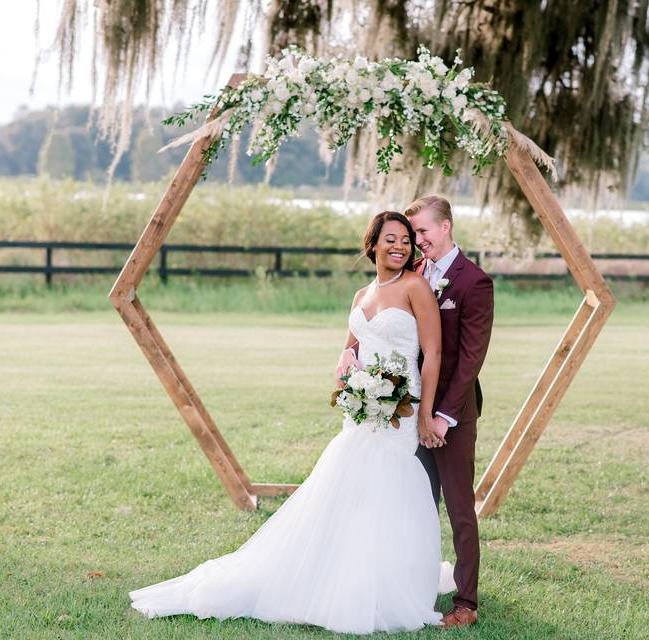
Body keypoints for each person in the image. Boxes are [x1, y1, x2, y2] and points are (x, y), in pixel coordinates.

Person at [130, 211, 446, 635]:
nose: (400, 247)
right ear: (372, 244)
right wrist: (353, 384)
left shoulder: (415, 287)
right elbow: (350, 350)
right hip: (362, 413)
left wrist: (424, 413)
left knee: (387, 487)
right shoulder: (361, 295)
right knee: (348, 487)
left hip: (401, 413)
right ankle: (335, 575)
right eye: (391, 238)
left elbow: (434, 352)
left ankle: (386, 581)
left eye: (406, 240)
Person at [406, 195, 494, 629]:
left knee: (460, 509)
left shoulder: (473, 282)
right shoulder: (415, 275)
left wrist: (443, 416)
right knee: (418, 504)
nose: (417, 240)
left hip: (453, 417)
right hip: (413, 413)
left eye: (423, 231)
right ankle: (413, 586)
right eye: (414, 233)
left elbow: (470, 360)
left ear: (445, 227)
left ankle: (466, 603)